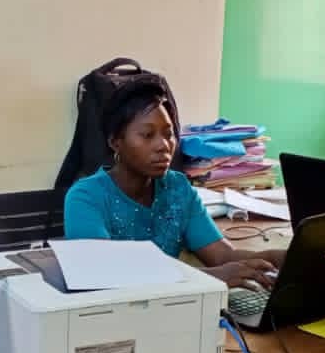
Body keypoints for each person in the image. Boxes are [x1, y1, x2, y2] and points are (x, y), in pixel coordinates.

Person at [63, 78, 284, 289]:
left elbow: (222, 255)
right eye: (147, 135)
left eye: (169, 134)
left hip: (178, 306)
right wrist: (214, 277)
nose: (163, 145)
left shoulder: (178, 188)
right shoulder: (86, 197)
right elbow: (105, 273)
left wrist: (276, 258)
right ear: (115, 142)